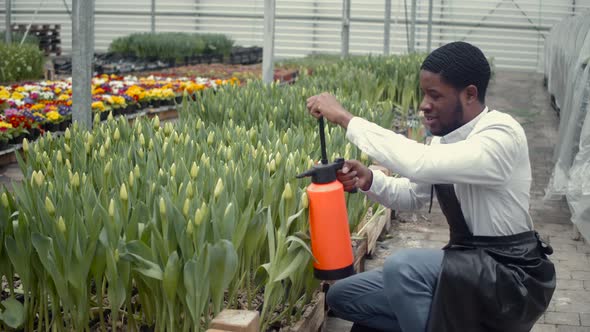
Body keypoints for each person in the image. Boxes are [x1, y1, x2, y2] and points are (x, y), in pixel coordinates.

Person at [305, 41, 556, 332]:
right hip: (465, 268)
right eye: (424, 94)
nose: (424, 105)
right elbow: (414, 194)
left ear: (470, 94)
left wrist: (346, 120)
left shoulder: (501, 134)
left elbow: (420, 163)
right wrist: (369, 181)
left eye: (434, 95)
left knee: (405, 268)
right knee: (346, 295)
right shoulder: (444, 139)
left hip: (510, 277)